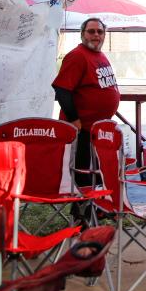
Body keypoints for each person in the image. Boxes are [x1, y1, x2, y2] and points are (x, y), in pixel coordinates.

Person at [52, 18, 120, 186]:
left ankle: (96, 209)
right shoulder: (77, 56)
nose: (96, 35)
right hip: (81, 129)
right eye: (91, 31)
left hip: (98, 129)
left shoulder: (99, 54)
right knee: (83, 173)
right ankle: (83, 209)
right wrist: (74, 120)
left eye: (100, 31)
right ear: (82, 34)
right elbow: (62, 90)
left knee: (96, 173)